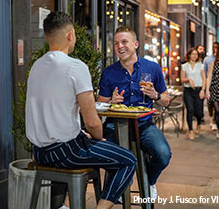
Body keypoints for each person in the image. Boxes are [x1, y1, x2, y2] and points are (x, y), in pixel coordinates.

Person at [25, 12, 136, 209]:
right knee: (128, 160)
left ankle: (66, 206)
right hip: (66, 152)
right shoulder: (75, 67)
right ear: (70, 35)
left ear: (47, 37)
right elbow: (92, 121)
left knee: (90, 147)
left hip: (39, 152)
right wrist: (97, 137)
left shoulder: (36, 66)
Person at [97, 26, 172, 200]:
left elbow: (165, 100)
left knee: (163, 154)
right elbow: (100, 104)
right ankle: (121, 182)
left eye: (124, 42)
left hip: (144, 125)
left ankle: (150, 181)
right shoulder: (109, 72)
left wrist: (155, 95)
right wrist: (111, 102)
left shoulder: (152, 68)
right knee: (103, 154)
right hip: (115, 125)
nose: (120, 46)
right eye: (116, 43)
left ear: (136, 44)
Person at [181, 48, 206, 140]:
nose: (195, 56)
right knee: (190, 109)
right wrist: (189, 80)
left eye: (196, 54)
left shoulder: (201, 66)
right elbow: (182, 79)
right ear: (189, 55)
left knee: (199, 112)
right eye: (193, 54)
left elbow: (204, 79)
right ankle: (190, 130)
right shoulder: (184, 66)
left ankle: (199, 123)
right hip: (188, 91)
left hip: (199, 90)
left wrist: (203, 90)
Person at [203, 42, 219, 131]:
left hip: (218, 84)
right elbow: (204, 72)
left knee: (216, 103)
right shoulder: (207, 59)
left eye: (217, 47)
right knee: (209, 102)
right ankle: (211, 117)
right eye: (214, 47)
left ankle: (214, 121)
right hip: (209, 83)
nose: (216, 49)